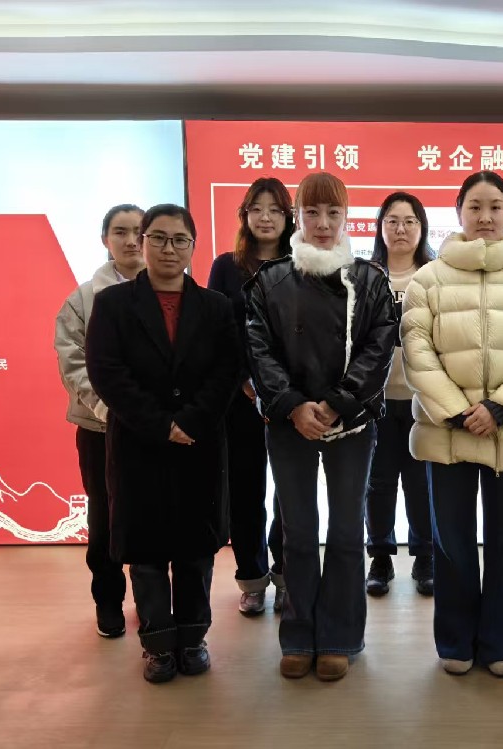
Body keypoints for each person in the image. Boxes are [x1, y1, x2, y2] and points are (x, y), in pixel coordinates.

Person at [401, 171, 503, 678]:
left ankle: (500, 641)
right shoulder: (429, 279)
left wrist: (501, 408)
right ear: (458, 213)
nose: (485, 216)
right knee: (451, 540)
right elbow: (416, 351)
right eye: (475, 206)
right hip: (446, 430)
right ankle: (455, 640)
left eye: (495, 206)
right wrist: (456, 410)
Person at [245, 172, 397, 682]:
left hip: (350, 422)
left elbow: (379, 347)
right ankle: (297, 635)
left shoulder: (370, 279)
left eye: (333, 213)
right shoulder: (270, 280)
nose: (323, 223)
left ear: (347, 216)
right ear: (298, 216)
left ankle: (340, 637)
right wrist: (293, 405)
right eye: (312, 213)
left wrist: (335, 403)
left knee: (347, 529)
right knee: (298, 530)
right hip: (290, 423)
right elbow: (258, 348)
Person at [86, 204, 241, 684]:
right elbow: (106, 372)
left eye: (179, 239)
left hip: (198, 444)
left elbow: (227, 371)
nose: (168, 248)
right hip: (138, 445)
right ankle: (157, 644)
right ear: (142, 243)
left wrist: (189, 421)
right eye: (158, 238)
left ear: (193, 247)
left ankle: (193, 638)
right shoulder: (113, 304)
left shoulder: (216, 306)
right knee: (146, 551)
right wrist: (159, 425)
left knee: (195, 550)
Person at [54, 203, 145, 639]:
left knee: (152, 516)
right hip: (100, 428)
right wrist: (111, 411)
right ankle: (108, 601)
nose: (131, 241)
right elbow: (73, 363)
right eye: (120, 232)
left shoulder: (172, 291)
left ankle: (150, 599)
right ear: (105, 240)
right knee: (105, 517)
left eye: (139, 231)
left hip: (155, 429)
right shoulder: (84, 299)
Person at [208, 177, 292, 616]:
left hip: (290, 397)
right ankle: (253, 578)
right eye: (256, 208)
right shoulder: (226, 266)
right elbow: (217, 330)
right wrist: (245, 381)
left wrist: (283, 389)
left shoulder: (300, 264)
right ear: (245, 215)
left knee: (290, 491)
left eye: (275, 209)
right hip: (239, 400)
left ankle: (286, 573)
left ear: (288, 217)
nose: (265, 217)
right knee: (245, 491)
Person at [364, 191, 435, 597]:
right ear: (381, 227)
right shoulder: (366, 275)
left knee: (420, 482)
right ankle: (380, 557)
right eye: (392, 220)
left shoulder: (434, 275)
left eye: (409, 221)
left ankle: (425, 556)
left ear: (421, 228)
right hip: (375, 400)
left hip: (422, 399)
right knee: (378, 483)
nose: (401, 228)